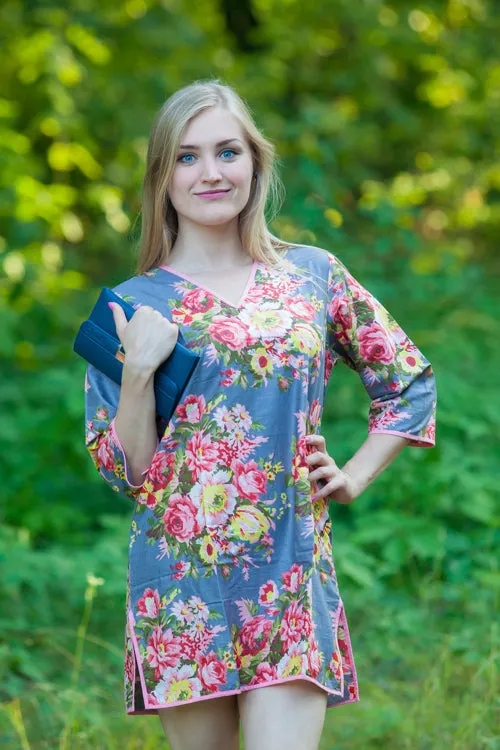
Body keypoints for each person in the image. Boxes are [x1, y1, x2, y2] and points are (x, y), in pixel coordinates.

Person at [84, 79, 437, 750]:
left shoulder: (312, 275)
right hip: (179, 582)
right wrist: (136, 373)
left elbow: (407, 380)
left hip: (290, 570)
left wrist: (355, 473)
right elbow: (129, 473)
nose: (210, 172)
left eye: (227, 151)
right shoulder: (130, 306)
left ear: (255, 161)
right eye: (187, 157)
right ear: (162, 175)